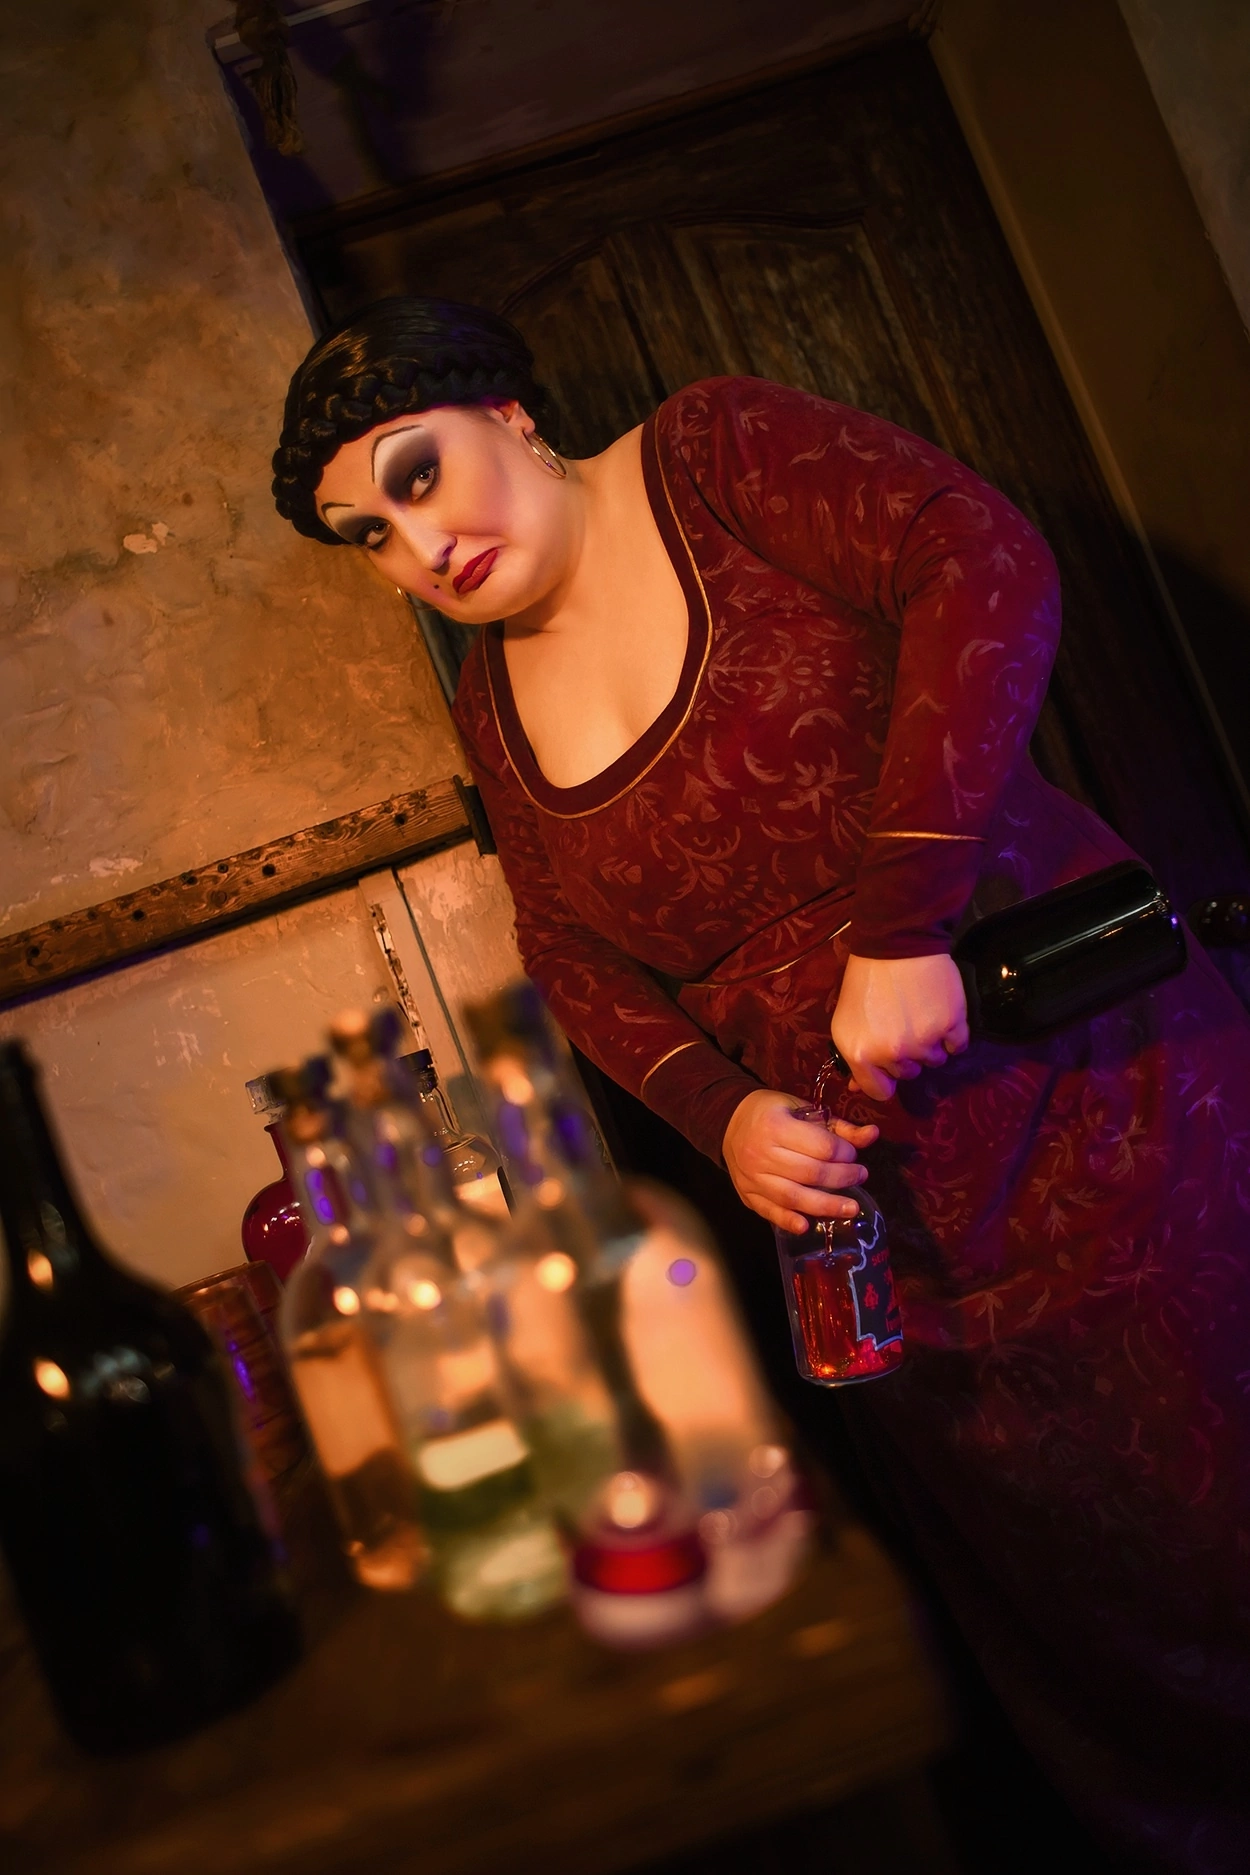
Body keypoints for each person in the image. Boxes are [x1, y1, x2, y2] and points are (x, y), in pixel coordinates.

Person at [273, 297, 1250, 1870]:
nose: (416, 544)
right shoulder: (487, 701)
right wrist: (721, 1115)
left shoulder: (713, 451)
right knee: (1094, 1607)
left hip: (1103, 1105)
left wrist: (901, 926)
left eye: (414, 474)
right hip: (892, 1242)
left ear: (508, 414)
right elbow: (568, 952)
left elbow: (978, 562)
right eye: (365, 537)